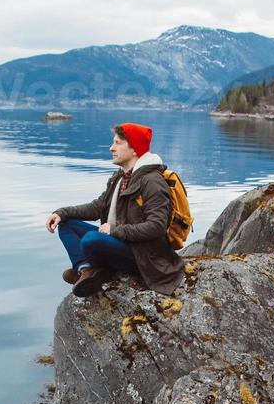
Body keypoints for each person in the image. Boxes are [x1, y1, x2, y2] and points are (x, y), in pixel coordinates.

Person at [45, 123, 185, 297]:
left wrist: (115, 231)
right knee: (67, 224)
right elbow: (98, 207)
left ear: (134, 149)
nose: (111, 148)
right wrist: (61, 213)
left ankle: (98, 270)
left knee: (91, 239)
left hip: (143, 256)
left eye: (118, 143)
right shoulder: (120, 177)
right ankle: (85, 270)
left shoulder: (152, 182)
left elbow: (157, 226)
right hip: (121, 242)